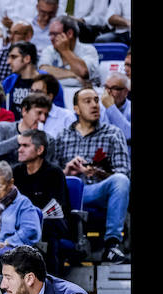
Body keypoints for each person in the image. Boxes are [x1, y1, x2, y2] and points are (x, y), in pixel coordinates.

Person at [49, 88, 130, 263]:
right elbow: (49, 175)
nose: (94, 105)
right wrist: (66, 173)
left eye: (96, 100)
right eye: (87, 101)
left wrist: (101, 173)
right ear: (76, 109)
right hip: (70, 194)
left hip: (97, 191)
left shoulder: (113, 133)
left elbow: (124, 172)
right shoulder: (62, 137)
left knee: (121, 181)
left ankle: (112, 244)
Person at [11, 129, 71, 275]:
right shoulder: (15, 172)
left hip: (51, 223)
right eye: (20, 145)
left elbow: (58, 207)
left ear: (40, 150)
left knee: (47, 229)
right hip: (22, 221)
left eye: (25, 146)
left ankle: (50, 281)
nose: (20, 150)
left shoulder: (54, 173)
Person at [0, 161, 42, 251]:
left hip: (11, 249)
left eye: (0, 185)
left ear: (11, 183)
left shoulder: (23, 203)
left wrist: (8, 242)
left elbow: (30, 230)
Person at [0, 93, 52, 164]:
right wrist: (18, 140)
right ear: (24, 111)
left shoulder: (48, 139)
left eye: (46, 115)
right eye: (39, 113)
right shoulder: (3, 128)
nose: (43, 118)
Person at [37, 15, 101, 88]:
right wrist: (73, 75)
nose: (51, 38)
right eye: (50, 34)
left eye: (55, 34)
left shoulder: (88, 50)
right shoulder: (49, 50)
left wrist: (65, 50)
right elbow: (43, 71)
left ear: (69, 33)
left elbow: (82, 72)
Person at [100, 73, 131, 145]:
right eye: (106, 87)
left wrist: (111, 108)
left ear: (125, 92)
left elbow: (128, 135)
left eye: (114, 88)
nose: (108, 92)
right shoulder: (98, 108)